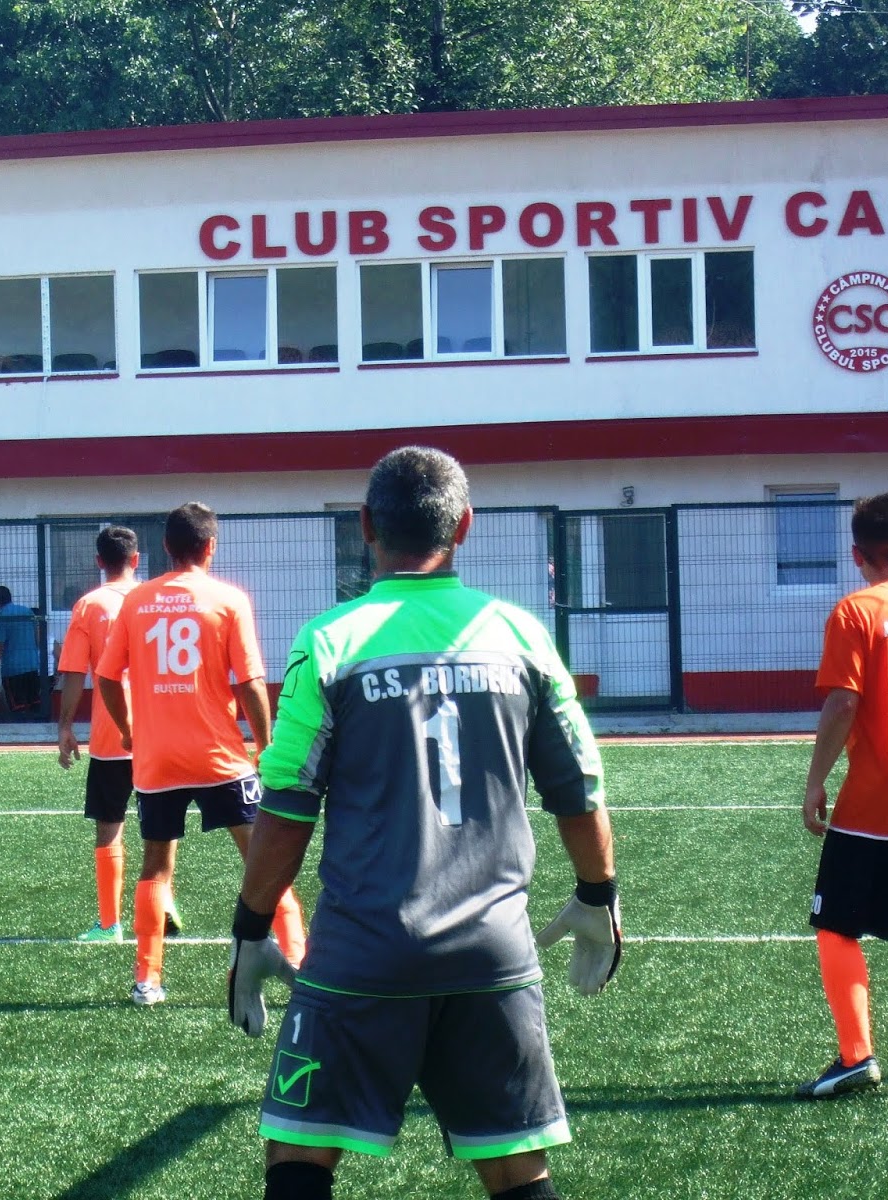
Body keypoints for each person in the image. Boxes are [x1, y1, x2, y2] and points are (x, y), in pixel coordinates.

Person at [227, 447, 620, 1200]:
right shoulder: (521, 635)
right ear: (463, 526)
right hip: (492, 951)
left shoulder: (331, 640)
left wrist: (250, 928)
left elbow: (286, 807)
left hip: (363, 951)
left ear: (366, 525)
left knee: (298, 1154)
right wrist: (598, 894)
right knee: (516, 1168)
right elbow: (579, 789)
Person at [95, 502, 306, 1007]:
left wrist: (128, 731)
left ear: (166, 547)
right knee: (263, 861)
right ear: (211, 546)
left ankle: (147, 980)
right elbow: (250, 681)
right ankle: (301, 963)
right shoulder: (228, 599)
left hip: (158, 759)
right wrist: (265, 745)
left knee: (155, 866)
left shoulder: (137, 600)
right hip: (218, 756)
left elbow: (106, 677)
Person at [797, 492, 888, 1099]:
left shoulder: (855, 612)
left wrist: (814, 781)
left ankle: (856, 1055)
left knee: (835, 924)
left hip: (875, 807)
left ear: (857, 555)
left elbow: (843, 701)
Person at [55, 526, 143, 942]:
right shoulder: (153, 599)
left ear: (98, 562)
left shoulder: (89, 605)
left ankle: (110, 923)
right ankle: (161, 903)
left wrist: (65, 726)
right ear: (136, 560)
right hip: (160, 731)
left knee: (110, 824)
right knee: (162, 825)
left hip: (112, 735)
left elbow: (74, 671)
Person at [0, 585, 41, 713]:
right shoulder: (28, 612)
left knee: (18, 708)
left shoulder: (1, 618)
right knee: (35, 705)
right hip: (32, 665)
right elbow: (38, 638)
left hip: (13, 670)